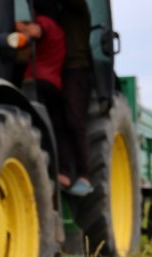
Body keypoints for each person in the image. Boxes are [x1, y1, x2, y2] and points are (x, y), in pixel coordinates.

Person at [15, 1, 75, 191]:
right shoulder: (61, 31)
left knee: (35, 126)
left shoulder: (44, 23)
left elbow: (35, 32)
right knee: (58, 127)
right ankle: (62, 172)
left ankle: (43, 168)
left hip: (38, 82)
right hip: (54, 84)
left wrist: (19, 28)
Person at [57, 0, 94, 196]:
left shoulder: (78, 7)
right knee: (61, 121)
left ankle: (84, 175)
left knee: (74, 119)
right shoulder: (58, 10)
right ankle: (63, 172)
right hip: (58, 69)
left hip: (77, 69)